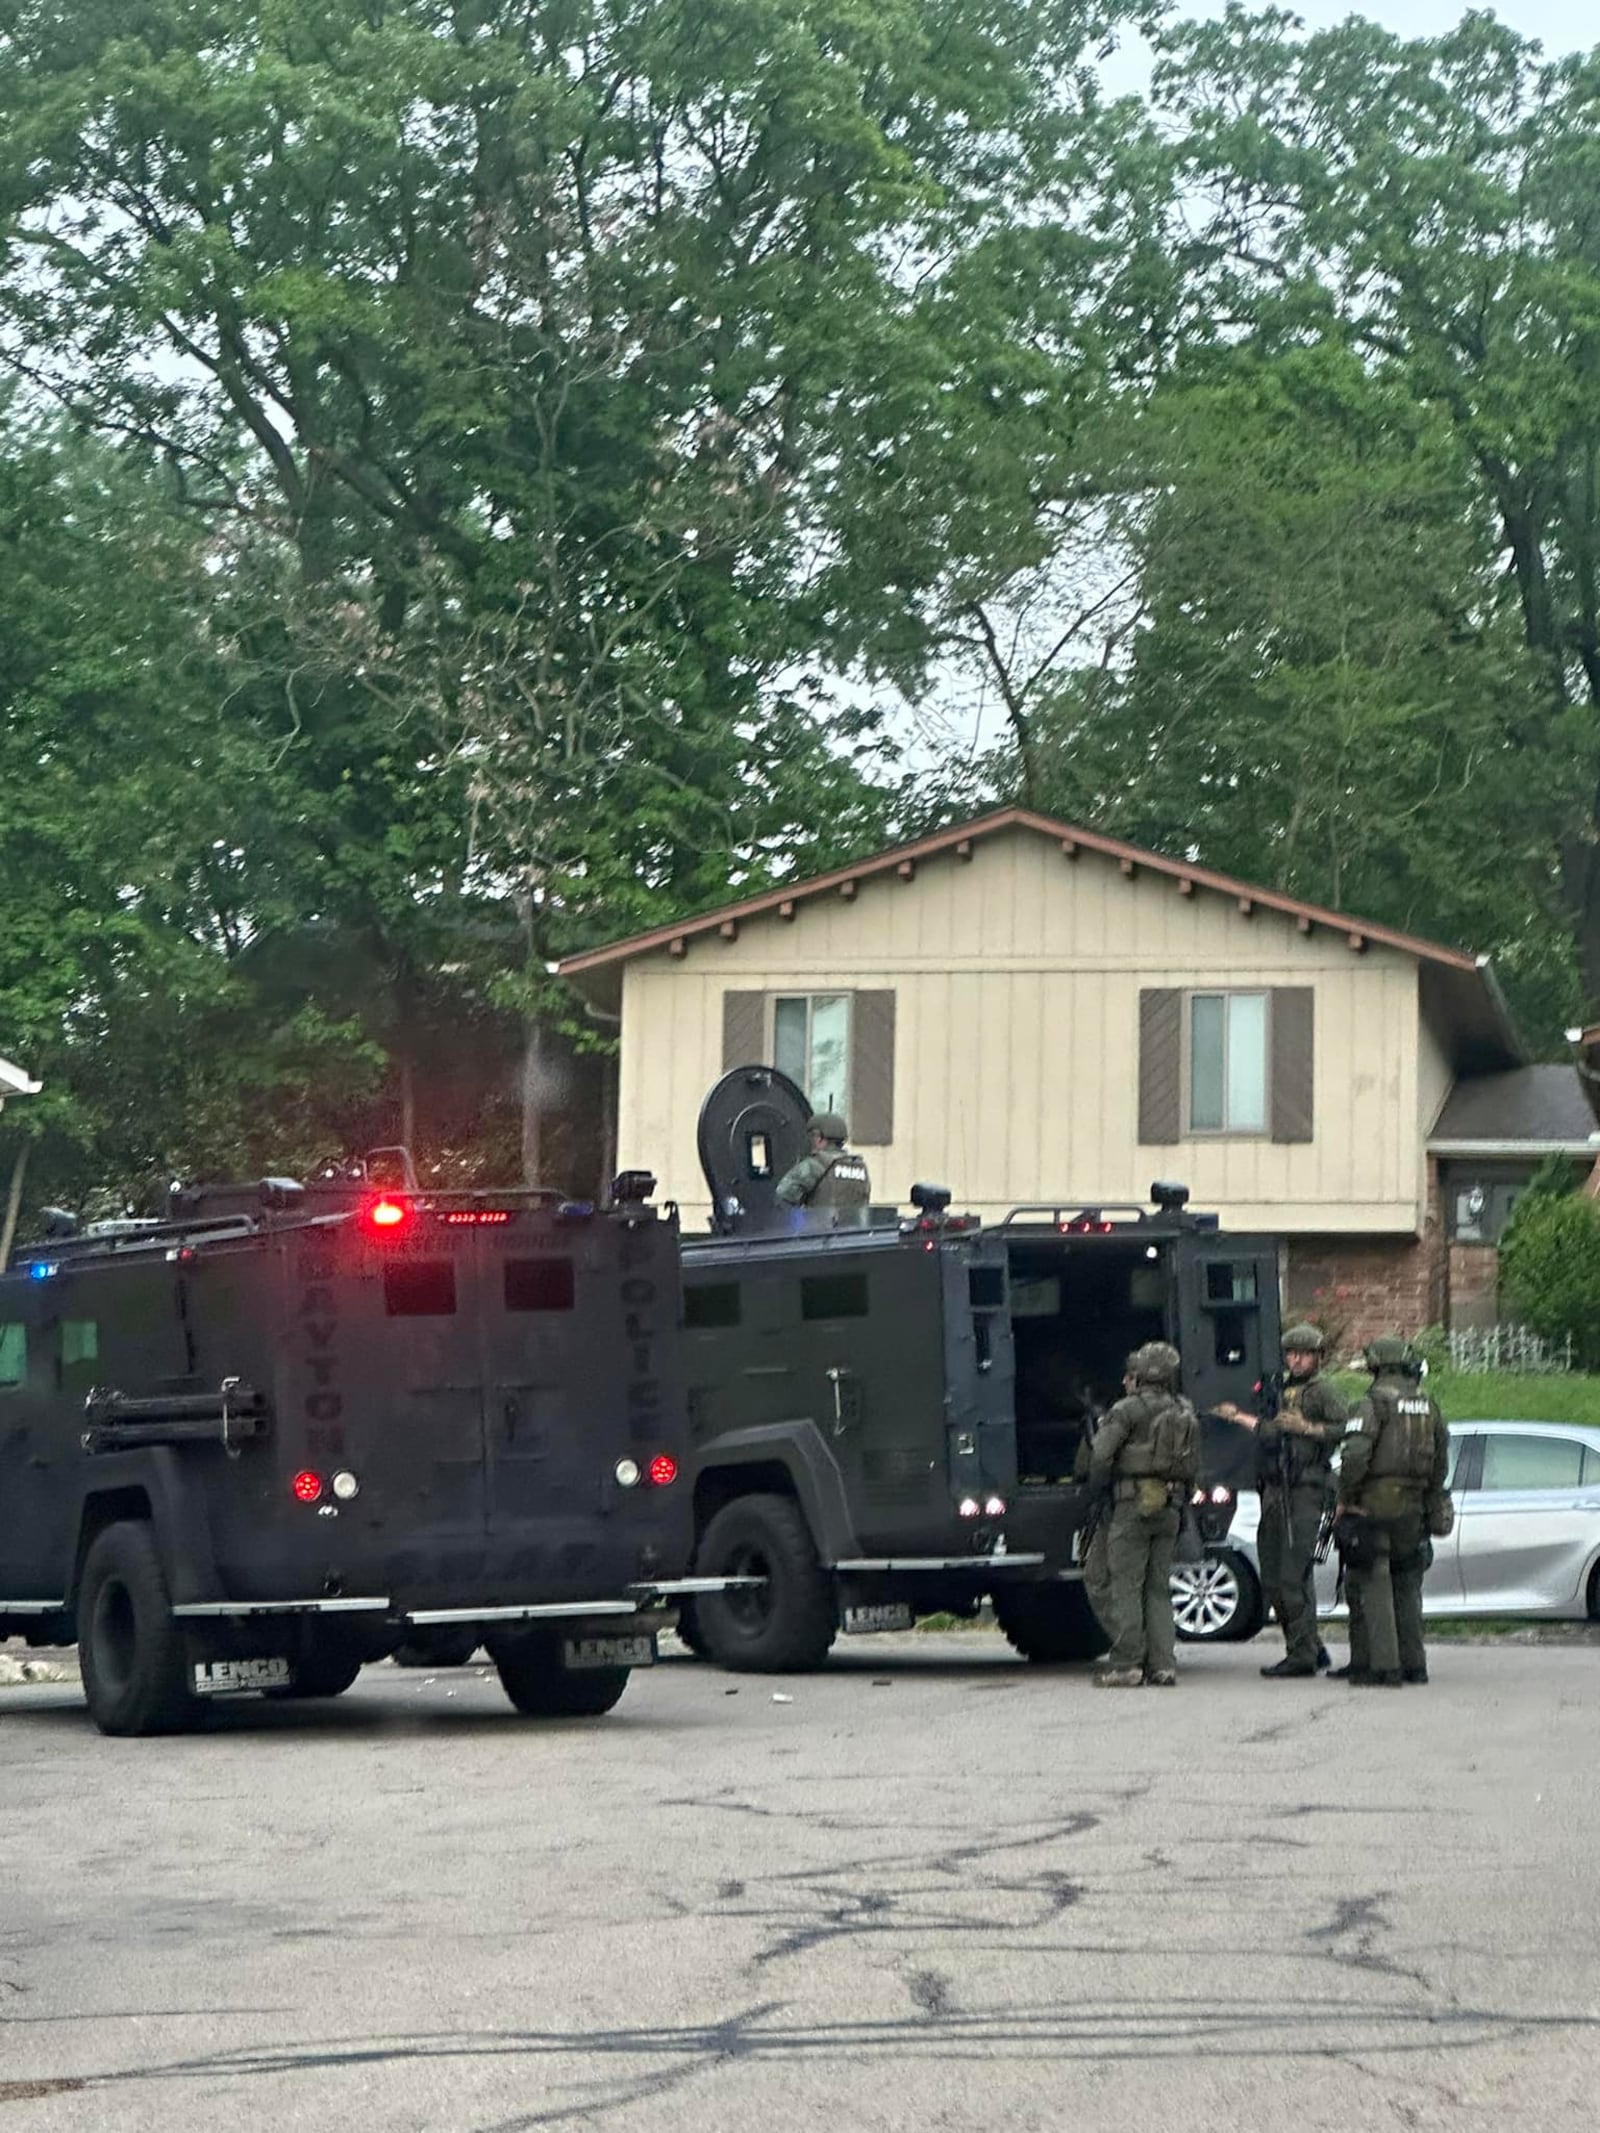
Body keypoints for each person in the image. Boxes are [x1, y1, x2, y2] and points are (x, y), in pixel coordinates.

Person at [1215, 1323, 1348, 1679]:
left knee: (1292, 1576)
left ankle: (1302, 1653)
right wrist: (1239, 1417)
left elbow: (1343, 1430)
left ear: (1318, 1356)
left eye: (1304, 1353)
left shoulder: (1324, 1392)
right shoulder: (1283, 1390)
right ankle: (1309, 1647)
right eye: (1291, 1353)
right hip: (1276, 1490)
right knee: (1273, 1577)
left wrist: (1308, 1428)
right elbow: (1273, 1430)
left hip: (1305, 1490)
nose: (1297, 1359)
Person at [1334, 1337, 1450, 1687]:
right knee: (1407, 1582)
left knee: (1374, 1582)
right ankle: (1415, 1664)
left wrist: (1345, 1497)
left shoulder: (1370, 1405)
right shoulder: (1429, 1405)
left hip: (1374, 1502)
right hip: (1414, 1505)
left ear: (1376, 1367)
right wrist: (1430, 1496)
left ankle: (1383, 1667)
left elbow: (1354, 1457)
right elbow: (1441, 1457)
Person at [1089, 1341, 1200, 1686]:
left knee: (1125, 1586)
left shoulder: (1127, 1410)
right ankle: (1163, 1663)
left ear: (1139, 1374)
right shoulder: (1184, 1409)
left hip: (1132, 1506)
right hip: (1170, 1507)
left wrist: (1098, 1491)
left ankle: (1126, 1665)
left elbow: (1100, 1456)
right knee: (1158, 1588)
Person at [773, 1112, 871, 1214]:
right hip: (855, 1229)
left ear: (819, 1138)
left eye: (811, 1136)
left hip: (820, 1228)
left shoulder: (814, 1165)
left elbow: (783, 1198)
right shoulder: (859, 1166)